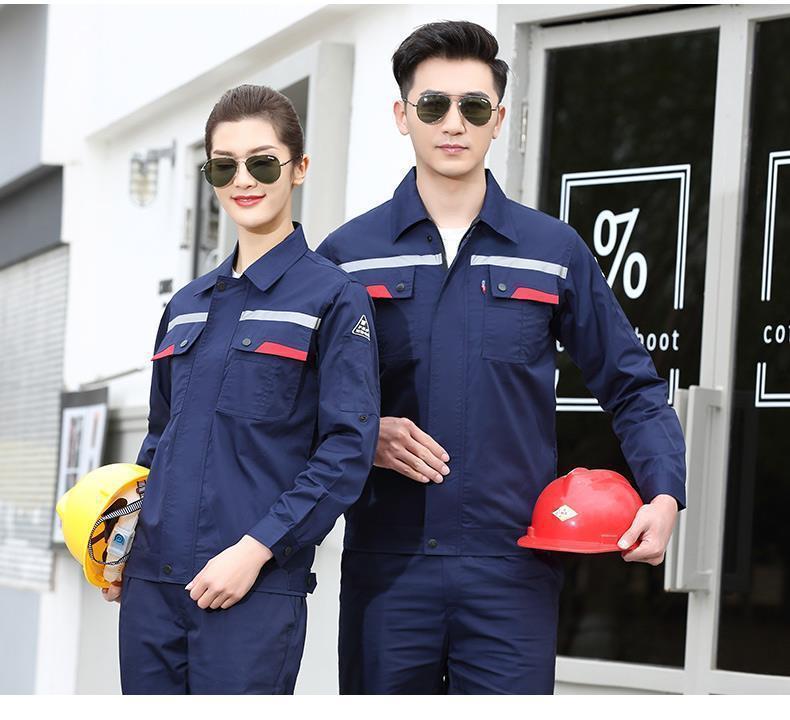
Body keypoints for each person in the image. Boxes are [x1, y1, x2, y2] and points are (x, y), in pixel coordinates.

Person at [316, 21, 686, 694]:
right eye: (433, 105)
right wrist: (363, 434)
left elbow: (631, 386)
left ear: (499, 120)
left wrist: (664, 494)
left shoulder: (552, 251)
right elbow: (293, 398)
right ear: (402, 115)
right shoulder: (347, 256)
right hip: (388, 570)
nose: (453, 123)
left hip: (513, 569)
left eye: (474, 106)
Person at [107, 84, 380, 694]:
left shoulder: (333, 298)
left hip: (250, 588)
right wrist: (122, 540)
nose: (243, 181)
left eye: (262, 163)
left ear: (299, 168)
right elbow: (159, 439)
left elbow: (346, 450)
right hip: (150, 587)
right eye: (223, 166)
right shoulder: (185, 305)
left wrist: (256, 549)